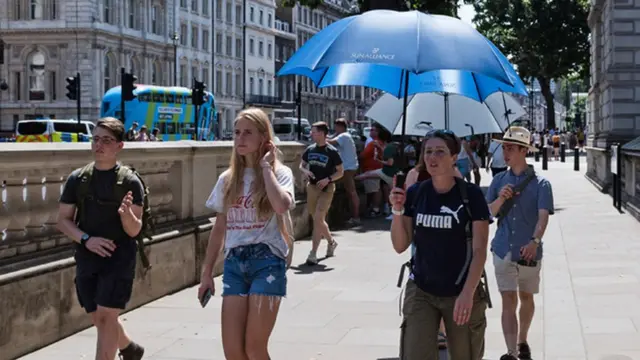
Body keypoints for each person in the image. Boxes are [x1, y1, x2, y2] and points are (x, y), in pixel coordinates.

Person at [198, 108, 295, 360]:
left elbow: (281, 205)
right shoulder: (228, 179)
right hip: (234, 263)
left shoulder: (280, 173)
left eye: (248, 133)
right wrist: (207, 272)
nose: (240, 138)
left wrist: (265, 168)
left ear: (264, 137)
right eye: (237, 132)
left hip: (267, 261)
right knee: (233, 352)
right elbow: (219, 228)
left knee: (254, 348)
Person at [390, 129, 491, 360]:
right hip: (421, 289)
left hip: (461, 289)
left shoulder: (471, 195)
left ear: (454, 157)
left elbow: (479, 251)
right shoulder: (416, 193)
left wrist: (468, 293)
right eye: (428, 152)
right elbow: (400, 245)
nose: (432, 157)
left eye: (440, 152)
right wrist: (397, 210)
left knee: (465, 355)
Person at [56, 117, 145, 360]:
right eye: (95, 139)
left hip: (119, 257)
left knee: (107, 316)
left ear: (119, 146)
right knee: (98, 317)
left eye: (106, 140)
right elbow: (63, 220)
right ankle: (129, 348)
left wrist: (126, 215)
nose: (99, 145)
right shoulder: (78, 179)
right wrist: (86, 239)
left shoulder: (130, 181)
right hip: (87, 255)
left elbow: (134, 230)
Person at [486, 126, 554, 360]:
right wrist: (499, 199)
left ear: (524, 151)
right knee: (507, 299)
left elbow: (543, 216)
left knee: (526, 297)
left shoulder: (541, 184)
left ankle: (522, 339)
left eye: (511, 148)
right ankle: (511, 352)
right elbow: (487, 215)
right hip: (503, 248)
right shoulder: (498, 181)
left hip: (528, 251)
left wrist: (535, 241)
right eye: (504, 148)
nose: (506, 153)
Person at [300, 121, 344, 265]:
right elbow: (301, 165)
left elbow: (340, 172)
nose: (311, 134)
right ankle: (331, 242)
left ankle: (313, 253)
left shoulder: (332, 151)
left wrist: (328, 179)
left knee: (318, 218)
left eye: (314, 132)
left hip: (327, 189)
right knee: (317, 220)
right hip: (312, 188)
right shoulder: (310, 149)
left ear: (322, 133)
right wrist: (306, 171)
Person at [327, 118, 360, 225]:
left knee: (351, 192)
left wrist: (318, 136)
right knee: (349, 192)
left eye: (336, 127)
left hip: (347, 168)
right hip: (351, 166)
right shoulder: (346, 135)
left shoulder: (344, 136)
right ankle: (352, 216)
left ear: (340, 127)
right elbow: (331, 138)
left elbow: (330, 142)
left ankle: (356, 217)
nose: (335, 128)